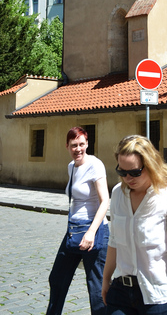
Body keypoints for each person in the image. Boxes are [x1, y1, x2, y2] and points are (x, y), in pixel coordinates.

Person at [102, 135, 167, 315]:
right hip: (120, 292)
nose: (128, 178)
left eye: (135, 172)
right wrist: (106, 280)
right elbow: (114, 242)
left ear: (151, 165)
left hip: (156, 296)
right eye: (122, 172)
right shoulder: (118, 194)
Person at [47, 127, 109, 315]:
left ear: (87, 144)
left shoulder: (95, 165)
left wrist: (91, 232)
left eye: (81, 144)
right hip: (74, 231)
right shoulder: (71, 166)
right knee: (57, 278)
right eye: (74, 145)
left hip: (95, 232)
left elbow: (105, 200)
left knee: (96, 287)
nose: (78, 149)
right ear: (67, 146)